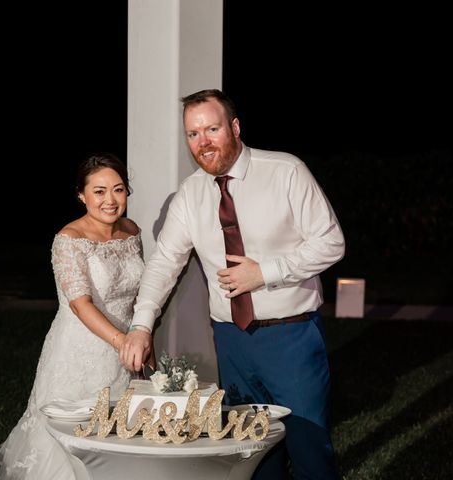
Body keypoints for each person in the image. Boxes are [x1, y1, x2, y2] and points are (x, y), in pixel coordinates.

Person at [120, 89, 345, 480]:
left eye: (212, 129)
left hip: (291, 337)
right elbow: (163, 263)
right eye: (193, 134)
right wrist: (141, 325)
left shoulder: (286, 171)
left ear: (235, 128)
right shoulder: (191, 194)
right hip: (231, 341)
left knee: (309, 452)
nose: (202, 142)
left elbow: (332, 242)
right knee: (251, 455)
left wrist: (266, 272)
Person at [0, 153, 145, 480]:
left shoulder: (132, 232)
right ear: (82, 195)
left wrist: (143, 337)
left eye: (118, 190)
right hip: (79, 353)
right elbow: (79, 304)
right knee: (70, 448)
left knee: (121, 441)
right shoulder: (68, 239)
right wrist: (124, 341)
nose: (110, 200)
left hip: (126, 355)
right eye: (99, 191)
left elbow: (135, 298)